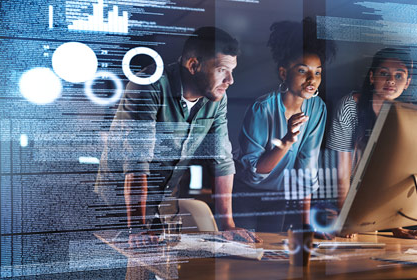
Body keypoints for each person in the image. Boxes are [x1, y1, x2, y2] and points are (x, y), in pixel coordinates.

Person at [96, 26, 259, 248]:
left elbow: (222, 160)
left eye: (232, 71)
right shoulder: (149, 84)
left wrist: (228, 224)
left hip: (164, 206)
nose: (230, 80)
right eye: (222, 70)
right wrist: (137, 227)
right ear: (193, 65)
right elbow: (137, 163)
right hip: (118, 208)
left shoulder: (218, 98)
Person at [233, 18, 336, 233]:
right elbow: (255, 171)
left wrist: (306, 224)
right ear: (283, 73)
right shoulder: (262, 108)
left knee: (271, 257)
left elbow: (308, 166)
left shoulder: (317, 108)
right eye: (302, 71)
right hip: (246, 193)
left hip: (278, 196)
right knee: (245, 257)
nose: (312, 79)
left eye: (317, 72)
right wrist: (287, 140)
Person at [326, 47, 416, 238]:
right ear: (372, 77)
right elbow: (341, 172)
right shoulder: (350, 106)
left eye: (399, 75)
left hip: (377, 207)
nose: (391, 80)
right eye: (384, 74)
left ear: (407, 83)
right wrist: (346, 221)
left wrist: (395, 224)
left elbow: (393, 174)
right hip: (340, 202)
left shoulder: (406, 115)